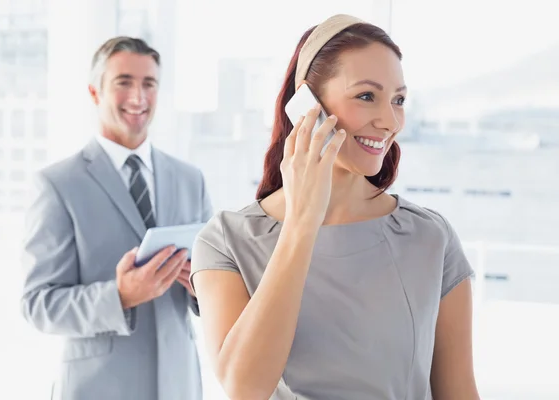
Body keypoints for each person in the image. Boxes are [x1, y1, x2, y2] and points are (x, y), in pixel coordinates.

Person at [190, 14, 480, 400]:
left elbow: (459, 392)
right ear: (307, 104)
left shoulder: (430, 237)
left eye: (399, 100)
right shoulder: (226, 240)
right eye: (366, 96)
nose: (389, 120)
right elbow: (246, 388)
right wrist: (301, 223)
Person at [20, 37, 211, 400]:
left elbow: (218, 282)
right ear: (95, 92)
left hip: (180, 385)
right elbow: (37, 304)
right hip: (97, 388)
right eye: (124, 82)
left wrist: (202, 285)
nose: (138, 97)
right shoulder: (58, 184)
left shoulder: (191, 179)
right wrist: (119, 296)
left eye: (148, 84)